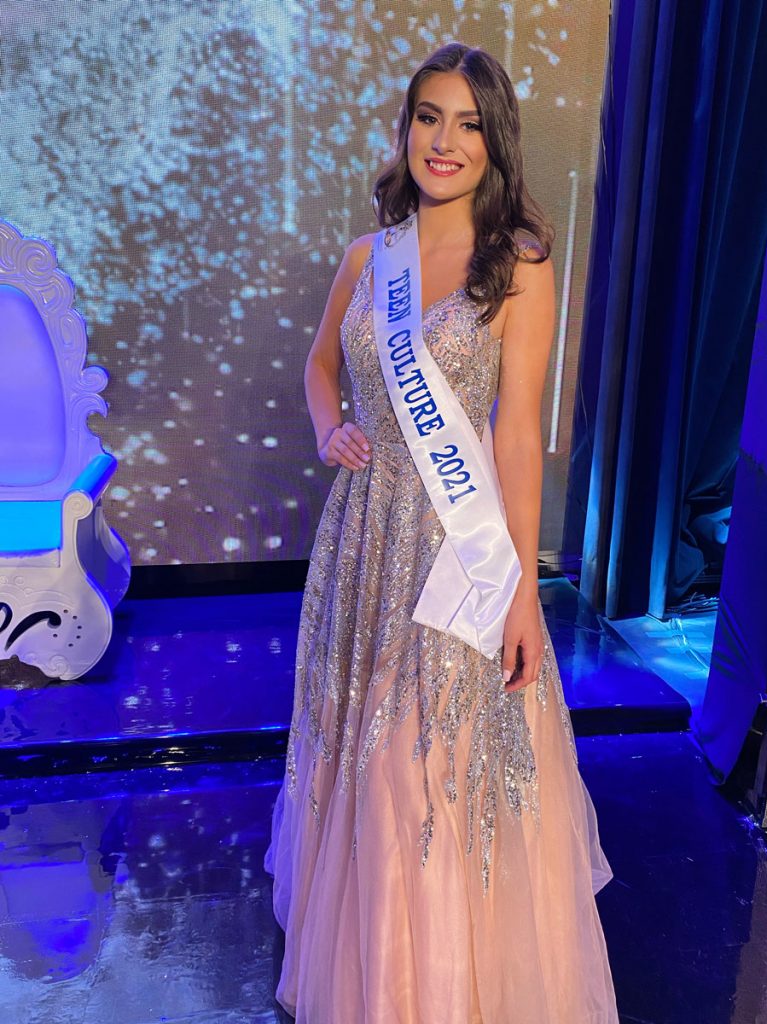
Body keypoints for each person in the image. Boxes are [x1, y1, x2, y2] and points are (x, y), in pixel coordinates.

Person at [264, 41, 619, 1023]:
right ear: (407, 128)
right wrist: (327, 427)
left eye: (467, 122)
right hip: (363, 542)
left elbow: (516, 434)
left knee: (429, 765)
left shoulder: (520, 266)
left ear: (493, 139)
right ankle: (378, 981)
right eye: (428, 117)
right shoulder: (367, 258)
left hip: (457, 550)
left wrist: (522, 591)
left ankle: (448, 988)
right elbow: (319, 365)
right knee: (364, 755)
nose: (443, 140)